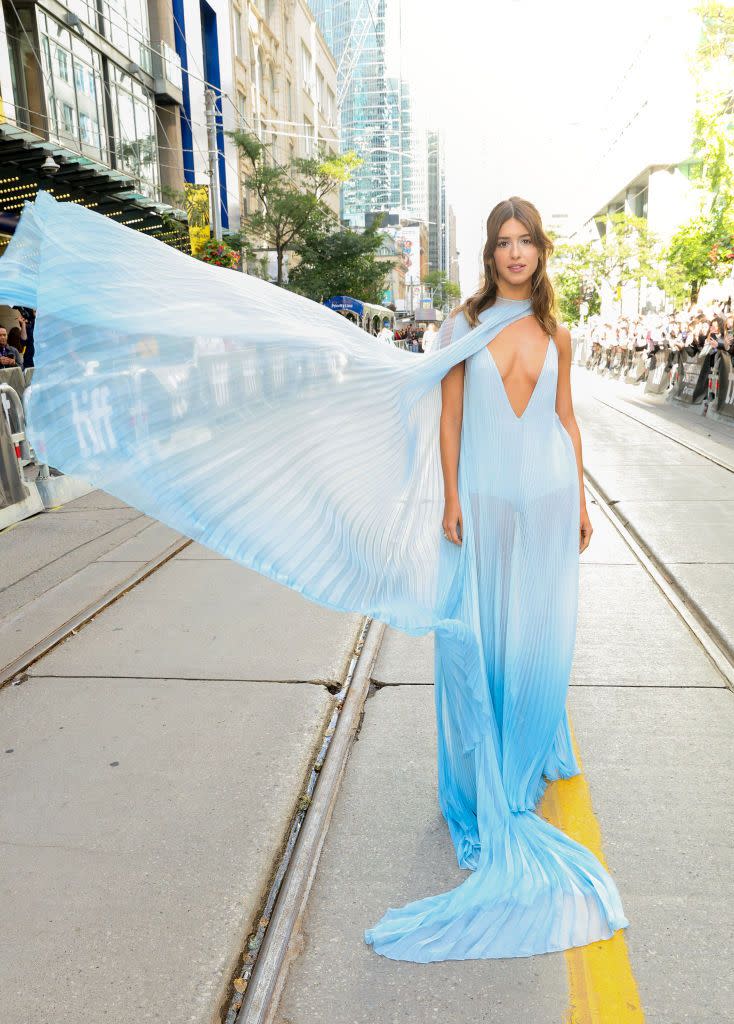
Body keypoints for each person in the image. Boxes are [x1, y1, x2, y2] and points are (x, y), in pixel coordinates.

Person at [0, 189, 629, 963]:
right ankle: (482, 774)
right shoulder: (464, 326)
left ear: (540, 251)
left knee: (539, 644)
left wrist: (583, 499)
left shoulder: (556, 333)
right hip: (485, 508)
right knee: (479, 645)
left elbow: (565, 419)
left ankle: (527, 750)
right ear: (490, 254)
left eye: (524, 240)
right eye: (502, 241)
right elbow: (452, 420)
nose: (513, 252)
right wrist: (453, 498)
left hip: (547, 498)